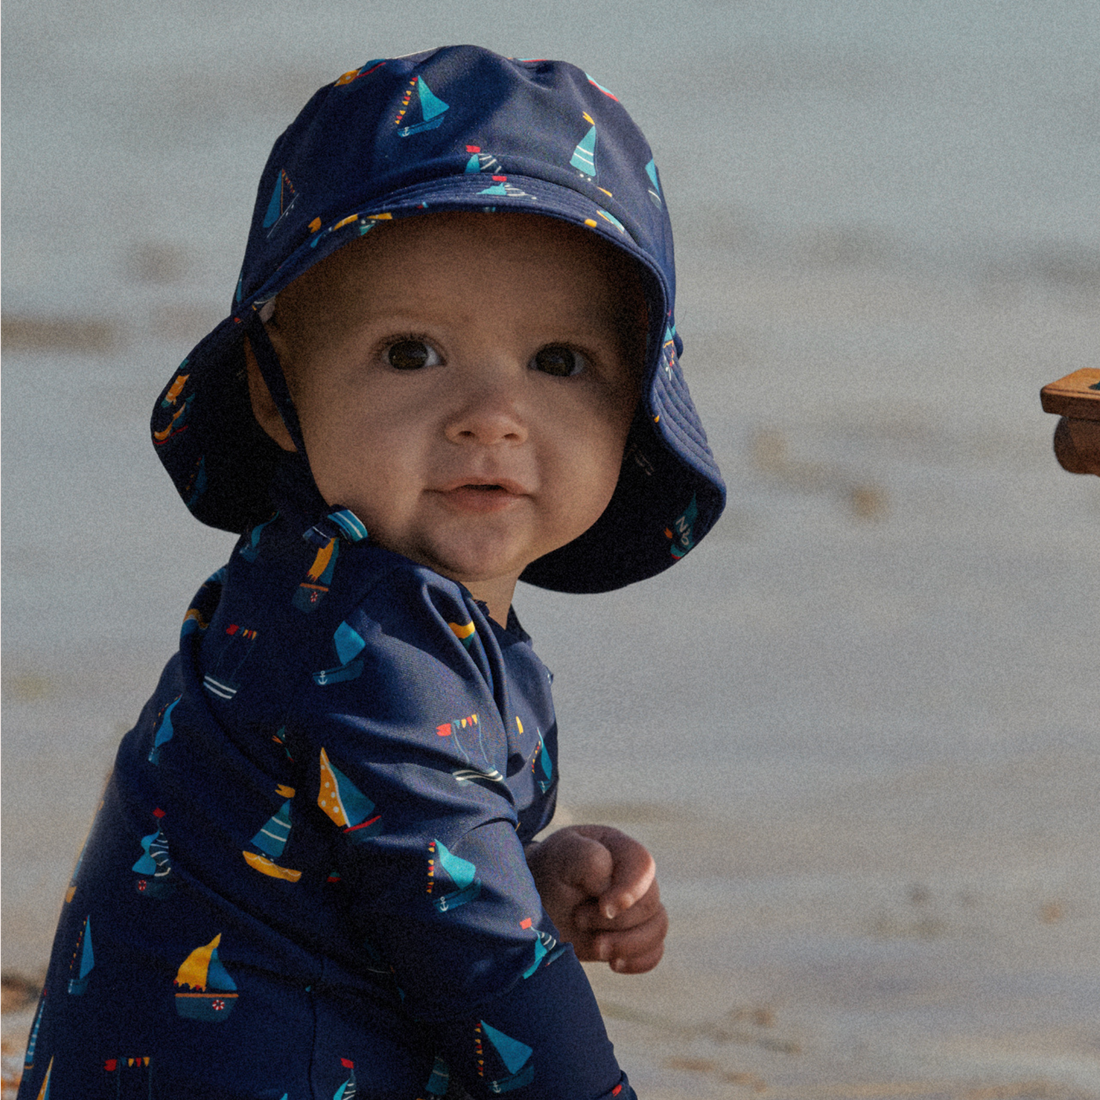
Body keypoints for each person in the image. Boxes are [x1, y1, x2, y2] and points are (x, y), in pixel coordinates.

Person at [19, 47, 725, 1100]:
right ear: (273, 388)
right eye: (410, 352)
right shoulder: (371, 643)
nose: (492, 414)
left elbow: (379, 881)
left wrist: (524, 872)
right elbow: (489, 972)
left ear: (633, 405)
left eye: (559, 362)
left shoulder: (326, 590)